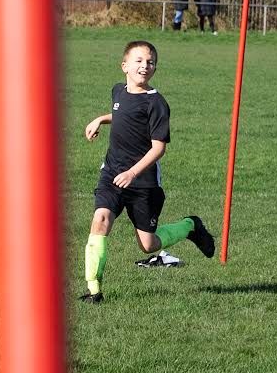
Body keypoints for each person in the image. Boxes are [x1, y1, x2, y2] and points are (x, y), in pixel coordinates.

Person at [80, 40, 215, 302]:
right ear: (124, 66)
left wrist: (132, 173)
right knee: (100, 219)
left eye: (150, 62)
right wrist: (100, 119)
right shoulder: (118, 91)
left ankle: (190, 226)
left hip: (142, 182)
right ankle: (93, 289)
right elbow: (123, 114)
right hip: (112, 173)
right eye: (139, 60)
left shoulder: (157, 104)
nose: (145, 66)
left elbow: (158, 148)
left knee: (148, 245)